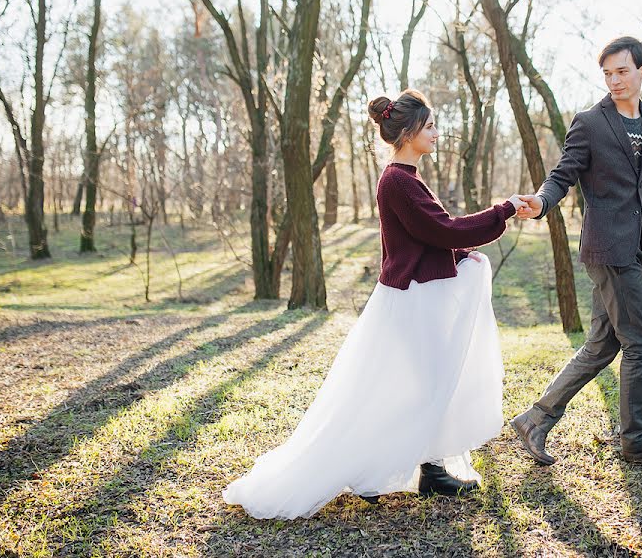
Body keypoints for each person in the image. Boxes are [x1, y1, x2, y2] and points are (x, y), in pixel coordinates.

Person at [223, 89, 528, 519]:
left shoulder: (406, 177)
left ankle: (429, 469)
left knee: (425, 383)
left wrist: (463, 256)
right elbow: (445, 230)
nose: (436, 133)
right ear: (406, 133)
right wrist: (505, 210)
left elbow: (426, 239)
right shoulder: (398, 182)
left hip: (414, 294)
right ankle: (377, 469)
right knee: (409, 385)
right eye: (429, 126)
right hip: (410, 300)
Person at [512, 37, 642, 471]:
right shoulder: (591, 122)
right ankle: (636, 441)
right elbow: (564, 173)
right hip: (605, 247)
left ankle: (535, 419)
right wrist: (541, 201)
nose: (614, 80)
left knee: (601, 345)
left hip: (634, 247)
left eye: (622, 71)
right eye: (608, 73)